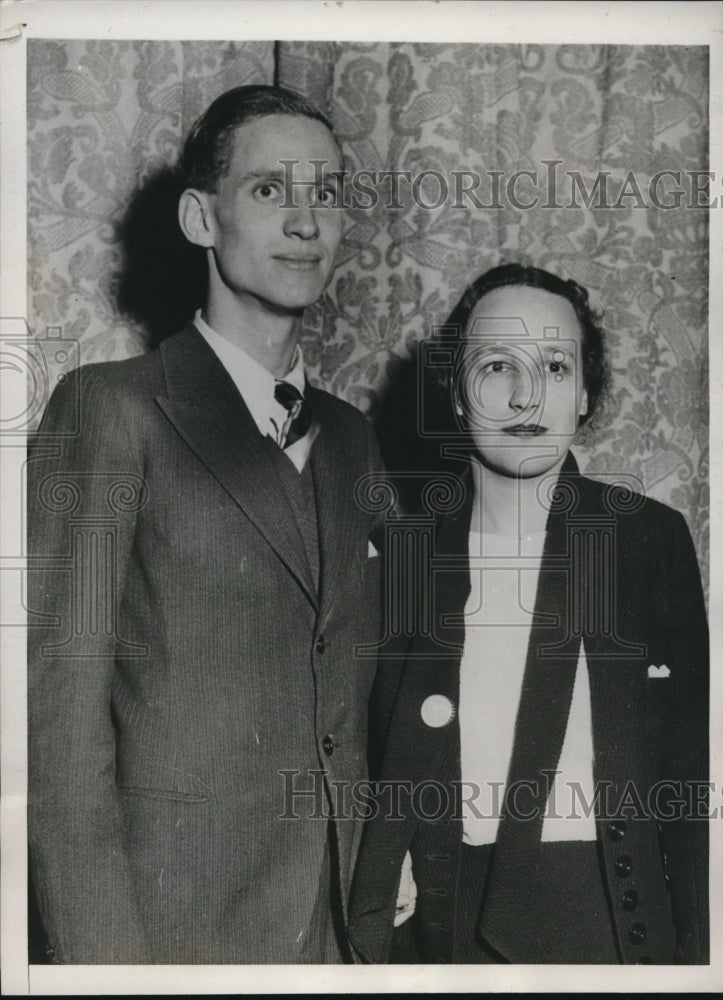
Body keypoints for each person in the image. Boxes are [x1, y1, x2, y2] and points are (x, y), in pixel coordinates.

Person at [27, 84, 384, 964]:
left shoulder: (352, 439)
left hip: (340, 933)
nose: (305, 221)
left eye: (326, 193)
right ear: (200, 218)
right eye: (268, 190)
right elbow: (55, 723)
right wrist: (105, 968)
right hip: (170, 934)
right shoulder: (112, 409)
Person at [348, 263, 709, 964]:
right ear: (457, 395)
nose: (525, 396)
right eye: (496, 367)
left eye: (554, 366)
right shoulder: (398, 553)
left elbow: (690, 781)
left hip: (608, 925)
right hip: (441, 935)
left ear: (584, 393)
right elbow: (357, 749)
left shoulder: (647, 539)